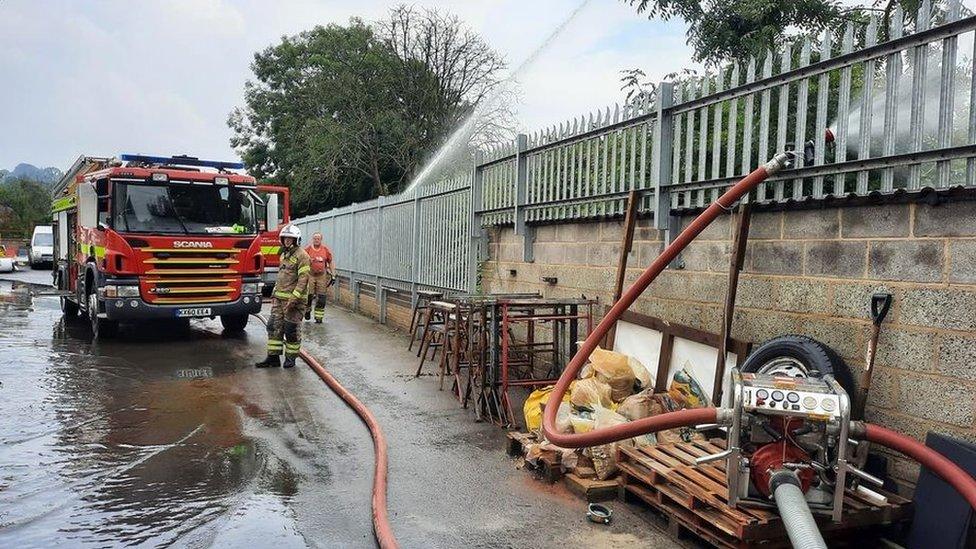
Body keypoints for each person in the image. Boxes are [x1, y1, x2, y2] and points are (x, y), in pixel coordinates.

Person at [255, 223, 310, 368]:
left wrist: (295, 297)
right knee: (273, 326)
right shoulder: (284, 255)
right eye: (285, 238)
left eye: (290, 239)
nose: (287, 241)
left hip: (294, 301)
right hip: (279, 299)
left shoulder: (303, 256)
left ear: (296, 240)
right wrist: (274, 294)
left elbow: (303, 279)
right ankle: (273, 358)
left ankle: (291, 358)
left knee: (290, 329)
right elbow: (281, 277)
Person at [304, 232, 335, 324]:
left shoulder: (325, 250)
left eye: (318, 238)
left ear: (321, 240)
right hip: (310, 275)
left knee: (321, 298)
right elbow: (301, 261)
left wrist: (333, 275)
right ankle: (307, 310)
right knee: (308, 296)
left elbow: (331, 262)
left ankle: (318, 317)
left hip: (322, 276)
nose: (316, 240)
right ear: (312, 239)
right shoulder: (307, 250)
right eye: (315, 238)